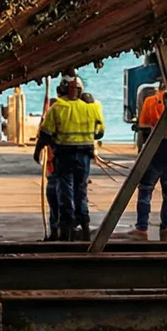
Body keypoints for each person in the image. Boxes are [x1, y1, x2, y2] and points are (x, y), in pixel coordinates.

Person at [34, 77, 105, 241]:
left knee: (65, 192)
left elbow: (45, 134)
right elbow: (100, 132)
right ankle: (84, 226)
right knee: (81, 191)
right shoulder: (91, 108)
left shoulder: (58, 107)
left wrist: (37, 151)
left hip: (64, 156)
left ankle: (66, 229)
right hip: (84, 156)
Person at [128, 83, 167, 241]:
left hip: (155, 147)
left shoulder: (150, 101)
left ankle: (142, 227)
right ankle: (166, 228)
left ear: (159, 88)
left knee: (145, 188)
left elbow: (143, 128)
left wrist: (141, 154)